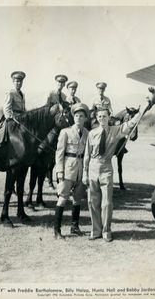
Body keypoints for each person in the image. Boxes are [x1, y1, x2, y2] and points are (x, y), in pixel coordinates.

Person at [82, 106, 145, 242]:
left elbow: (131, 124)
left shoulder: (116, 131)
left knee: (107, 202)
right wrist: (84, 173)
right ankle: (96, 230)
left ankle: (106, 231)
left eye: (104, 116)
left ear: (109, 117)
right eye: (99, 117)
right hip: (92, 167)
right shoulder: (92, 133)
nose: (102, 119)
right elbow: (87, 155)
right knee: (92, 201)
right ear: (97, 118)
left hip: (106, 167)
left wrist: (142, 110)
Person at [53, 103, 90, 240]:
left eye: (81, 116)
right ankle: (57, 230)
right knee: (63, 198)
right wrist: (59, 172)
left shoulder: (87, 133)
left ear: (85, 118)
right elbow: (59, 153)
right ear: (73, 117)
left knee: (77, 199)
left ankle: (75, 226)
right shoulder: (65, 132)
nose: (78, 118)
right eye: (76, 115)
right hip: (68, 169)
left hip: (81, 169)